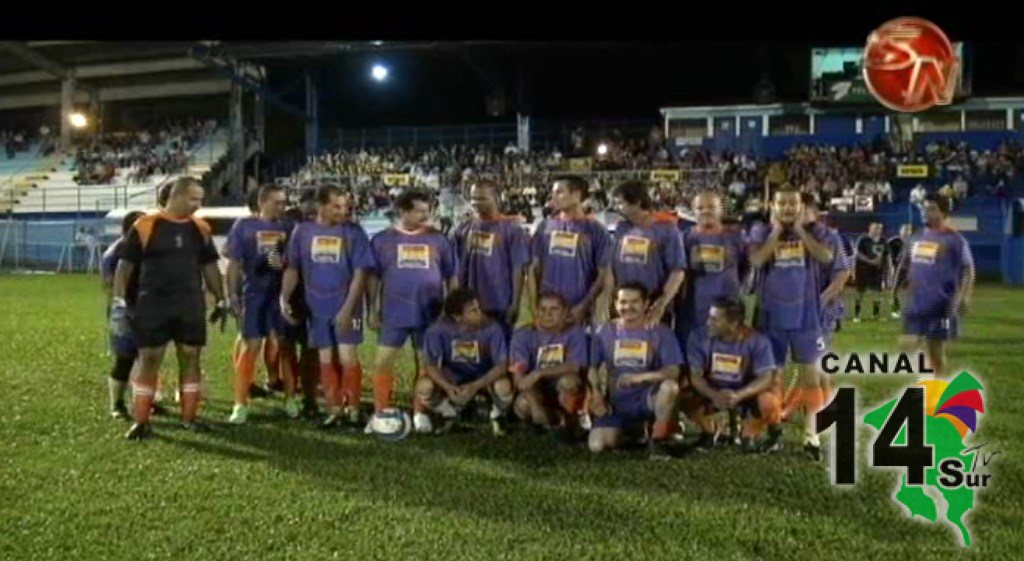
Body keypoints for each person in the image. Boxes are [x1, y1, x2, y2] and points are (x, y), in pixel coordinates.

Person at [111, 176, 228, 440]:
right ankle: (142, 420)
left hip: (189, 305)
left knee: (191, 357)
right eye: (193, 199)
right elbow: (124, 267)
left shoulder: (200, 228)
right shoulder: (145, 226)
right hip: (153, 304)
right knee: (150, 359)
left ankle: (189, 418)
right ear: (176, 196)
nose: (198, 205)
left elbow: (209, 265)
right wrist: (119, 302)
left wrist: (220, 298)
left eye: (200, 200)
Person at [748, 186, 839, 461]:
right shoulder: (760, 231)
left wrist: (799, 230)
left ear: (800, 206)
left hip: (806, 317)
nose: (787, 208)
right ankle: (774, 432)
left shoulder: (817, 231)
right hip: (770, 316)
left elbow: (826, 258)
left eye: (792, 204)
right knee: (772, 377)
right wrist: (776, 231)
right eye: (782, 203)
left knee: (811, 376)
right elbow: (756, 260)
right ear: (772, 205)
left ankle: (811, 437)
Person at [281, 185, 375, 428]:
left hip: (346, 305)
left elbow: (361, 273)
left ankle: (353, 409)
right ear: (320, 206)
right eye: (336, 206)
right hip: (316, 306)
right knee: (324, 356)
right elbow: (293, 267)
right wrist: (284, 296)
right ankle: (334, 409)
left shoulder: (353, 232)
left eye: (345, 206)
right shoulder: (302, 231)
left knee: (347, 356)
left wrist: (348, 308)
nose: (343, 211)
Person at [367, 189, 458, 432]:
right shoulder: (382, 240)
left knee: (426, 365)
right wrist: (372, 308)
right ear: (402, 211)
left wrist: (451, 309)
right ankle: (381, 410)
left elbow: (452, 277)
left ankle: (420, 412)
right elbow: (373, 277)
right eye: (419, 210)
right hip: (393, 313)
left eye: (427, 211)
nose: (425, 215)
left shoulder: (439, 239)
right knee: (382, 362)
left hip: (430, 313)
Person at [588, 282, 683, 460]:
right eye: (623, 302)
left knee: (670, 388)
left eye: (634, 302)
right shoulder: (605, 331)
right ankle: (636, 431)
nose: (628, 307)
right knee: (597, 445)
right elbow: (592, 367)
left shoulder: (661, 332)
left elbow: (673, 371)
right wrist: (596, 393)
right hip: (618, 403)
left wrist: (640, 377)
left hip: (648, 398)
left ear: (646, 303)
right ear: (615, 305)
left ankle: (658, 440)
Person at [224, 185, 293, 423]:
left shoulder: (288, 227)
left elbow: (291, 264)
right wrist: (232, 296)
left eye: (284, 202)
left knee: (283, 346)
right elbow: (233, 264)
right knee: (250, 346)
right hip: (252, 294)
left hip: (279, 296)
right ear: (263, 202)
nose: (282, 207)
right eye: (277, 202)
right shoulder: (244, 226)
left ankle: (290, 398)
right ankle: (240, 403)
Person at [681, 297, 784, 453]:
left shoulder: (758, 341)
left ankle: (764, 434)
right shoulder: (698, 336)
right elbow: (695, 375)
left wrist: (739, 395)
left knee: (769, 400)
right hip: (713, 388)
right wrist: (714, 395)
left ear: (733, 324)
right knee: (681, 391)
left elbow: (766, 377)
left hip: (746, 391)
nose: (708, 322)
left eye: (715, 319)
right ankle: (709, 431)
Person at [892, 195, 975, 378]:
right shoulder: (917, 236)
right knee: (908, 346)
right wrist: (898, 286)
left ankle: (938, 389)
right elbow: (905, 263)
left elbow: (968, 269)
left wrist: (964, 296)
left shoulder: (955, 239)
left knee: (935, 351)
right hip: (916, 302)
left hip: (940, 303)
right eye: (924, 208)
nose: (925, 212)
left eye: (930, 209)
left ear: (943, 213)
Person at [416, 288, 514, 436]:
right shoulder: (437, 330)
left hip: (484, 375)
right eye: (473, 311)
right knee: (423, 387)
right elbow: (431, 366)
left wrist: (475, 386)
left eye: (478, 308)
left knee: (504, 386)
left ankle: (497, 415)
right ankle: (449, 412)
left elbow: (501, 366)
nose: (479, 313)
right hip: (454, 376)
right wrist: (448, 387)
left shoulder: (492, 328)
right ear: (457, 316)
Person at [452, 180, 530, 337]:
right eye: (473, 198)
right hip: (471, 303)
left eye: (481, 198)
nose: (475, 203)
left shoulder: (512, 229)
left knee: (501, 352)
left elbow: (518, 268)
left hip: (499, 303)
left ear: (496, 198)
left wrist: (515, 303)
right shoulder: (464, 228)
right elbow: (456, 266)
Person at [531, 176, 612, 326]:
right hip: (548, 312)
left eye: (559, 192)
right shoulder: (544, 227)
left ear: (576, 195)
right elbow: (535, 269)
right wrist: (536, 304)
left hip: (578, 313)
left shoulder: (596, 230)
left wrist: (583, 306)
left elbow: (602, 275)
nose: (553, 197)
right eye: (553, 193)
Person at [509, 292, 588, 439]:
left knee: (569, 381)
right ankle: (548, 420)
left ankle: (571, 422)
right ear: (536, 311)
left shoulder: (575, 332)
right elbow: (518, 374)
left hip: (562, 386)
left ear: (565, 312)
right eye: (542, 309)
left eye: (554, 309)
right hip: (537, 390)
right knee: (522, 405)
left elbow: (576, 366)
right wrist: (535, 407)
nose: (547, 314)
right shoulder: (522, 335)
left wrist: (538, 373)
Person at [608, 181, 686, 325]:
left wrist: (662, 303)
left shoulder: (666, 229)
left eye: (620, 203)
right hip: (624, 303)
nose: (616, 208)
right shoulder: (621, 228)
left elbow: (677, 271)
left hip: (652, 304)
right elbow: (612, 267)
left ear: (637, 202)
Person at [676, 191, 748, 349]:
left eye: (710, 207)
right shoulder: (684, 239)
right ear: (692, 211)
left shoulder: (736, 238)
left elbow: (744, 268)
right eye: (700, 208)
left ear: (721, 209)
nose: (705, 211)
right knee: (691, 359)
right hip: (692, 312)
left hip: (727, 311)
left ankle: (795, 375)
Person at [101, 210, 145, 420]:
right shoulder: (116, 251)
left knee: (146, 358)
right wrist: (121, 308)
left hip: (147, 309)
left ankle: (145, 401)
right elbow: (110, 283)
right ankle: (116, 404)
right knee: (125, 358)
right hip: (125, 311)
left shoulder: (144, 248)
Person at [853, 222, 889, 323]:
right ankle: (857, 315)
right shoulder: (863, 240)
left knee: (877, 292)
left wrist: (881, 264)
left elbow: (885, 255)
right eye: (874, 229)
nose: (876, 231)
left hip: (877, 270)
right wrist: (870, 261)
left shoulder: (883, 241)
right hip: (863, 269)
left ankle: (876, 315)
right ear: (869, 229)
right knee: (860, 291)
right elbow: (857, 254)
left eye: (878, 229)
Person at [887, 224, 912, 319]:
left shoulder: (913, 242)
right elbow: (889, 255)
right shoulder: (894, 241)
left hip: (911, 270)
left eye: (908, 231)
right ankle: (895, 309)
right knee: (894, 290)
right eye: (905, 230)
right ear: (900, 231)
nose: (907, 233)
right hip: (898, 268)